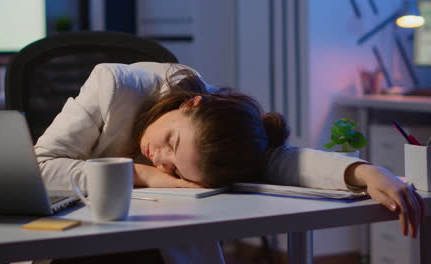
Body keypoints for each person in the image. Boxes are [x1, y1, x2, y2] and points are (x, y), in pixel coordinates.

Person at [35, 62, 423, 263]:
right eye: (171, 141)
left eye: (176, 169)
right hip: (74, 238)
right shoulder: (114, 86)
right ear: (191, 103)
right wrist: (144, 174)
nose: (161, 157)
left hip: (153, 245)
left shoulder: (225, 138)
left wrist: (367, 172)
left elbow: (280, 161)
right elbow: (41, 165)